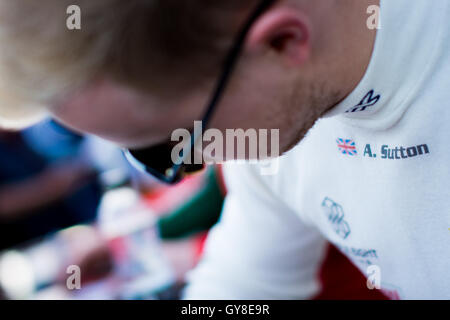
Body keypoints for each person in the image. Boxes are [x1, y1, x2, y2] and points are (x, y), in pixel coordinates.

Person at [0, 0, 448, 299]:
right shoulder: (273, 137)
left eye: (172, 147)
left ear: (283, 42)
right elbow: (242, 285)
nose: (184, 167)